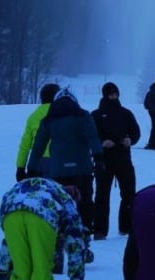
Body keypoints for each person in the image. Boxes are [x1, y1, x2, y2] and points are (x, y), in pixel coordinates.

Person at [26, 87, 104, 235]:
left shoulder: (48, 120)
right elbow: (92, 137)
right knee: (85, 200)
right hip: (82, 168)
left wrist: (31, 169)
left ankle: (61, 231)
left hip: (59, 169)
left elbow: (37, 148)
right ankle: (84, 229)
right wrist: (99, 157)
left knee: (59, 201)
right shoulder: (84, 116)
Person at [91, 82, 141, 238]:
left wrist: (130, 140)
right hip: (103, 161)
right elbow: (90, 136)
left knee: (129, 194)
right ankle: (99, 230)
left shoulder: (126, 113)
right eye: (111, 94)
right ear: (105, 95)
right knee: (101, 196)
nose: (114, 96)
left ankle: (125, 227)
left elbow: (136, 132)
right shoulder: (96, 115)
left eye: (116, 93)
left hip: (123, 159)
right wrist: (102, 142)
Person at [15, 83, 59, 182]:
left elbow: (25, 146)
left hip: (37, 163)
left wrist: (20, 167)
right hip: (59, 161)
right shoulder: (63, 114)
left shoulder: (33, 117)